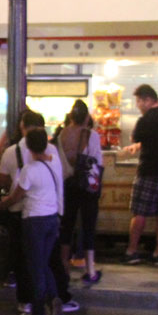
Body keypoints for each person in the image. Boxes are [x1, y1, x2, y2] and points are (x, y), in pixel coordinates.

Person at [0, 127, 65, 315]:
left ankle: (37, 314)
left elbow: (16, 196)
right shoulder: (53, 163)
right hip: (52, 218)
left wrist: (1, 204)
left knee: (35, 267)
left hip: (34, 220)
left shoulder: (30, 170)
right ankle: (53, 298)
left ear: (28, 146)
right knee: (43, 262)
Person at [123, 84, 158, 265]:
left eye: (139, 102)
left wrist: (136, 144)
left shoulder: (146, 119)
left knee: (139, 212)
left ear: (147, 100)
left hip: (149, 171)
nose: (138, 106)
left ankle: (132, 251)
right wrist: (140, 145)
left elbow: (135, 138)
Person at [58, 100, 104, 285]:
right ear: (86, 117)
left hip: (67, 185)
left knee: (66, 226)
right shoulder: (91, 135)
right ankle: (90, 270)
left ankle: (64, 269)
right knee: (88, 226)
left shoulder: (61, 134)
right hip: (87, 186)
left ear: (70, 116)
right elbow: (96, 162)